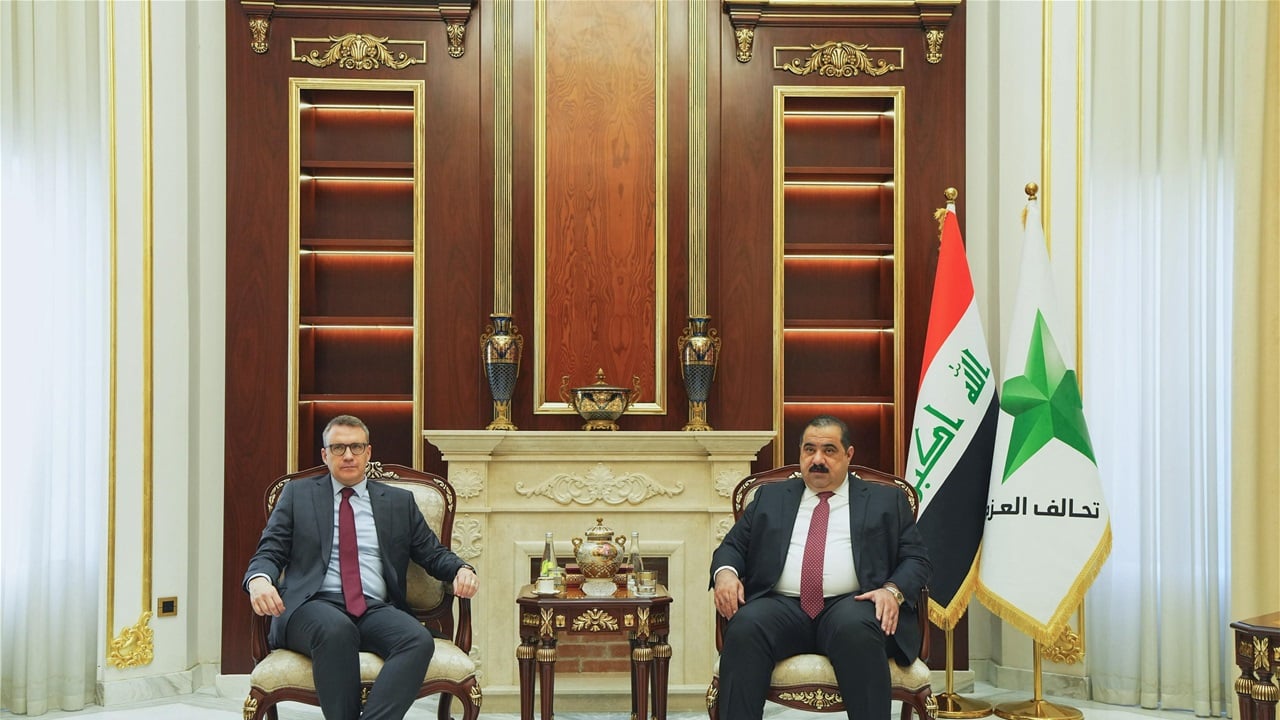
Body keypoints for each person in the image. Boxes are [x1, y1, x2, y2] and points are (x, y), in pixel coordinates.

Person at [244, 415, 479, 720]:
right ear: (325, 455)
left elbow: (432, 554)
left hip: (372, 607)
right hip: (310, 606)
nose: (348, 455)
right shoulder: (297, 495)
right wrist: (259, 580)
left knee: (417, 640)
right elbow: (269, 551)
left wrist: (461, 569)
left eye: (356, 447)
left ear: (368, 452)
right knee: (336, 630)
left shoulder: (398, 502)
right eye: (338, 448)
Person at [710, 415, 931, 720]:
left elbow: (917, 558)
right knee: (745, 627)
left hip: (853, 604)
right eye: (809, 449)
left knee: (857, 629)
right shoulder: (770, 497)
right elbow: (732, 547)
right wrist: (725, 574)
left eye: (829, 450)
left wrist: (892, 591)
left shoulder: (886, 500)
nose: (817, 460)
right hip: (781, 606)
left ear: (848, 454)